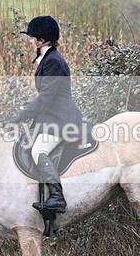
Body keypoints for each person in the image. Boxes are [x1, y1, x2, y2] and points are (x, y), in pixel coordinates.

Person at [7, 16, 83, 213]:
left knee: (38, 151)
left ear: (41, 40)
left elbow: (45, 98)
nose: (30, 41)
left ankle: (57, 197)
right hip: (51, 118)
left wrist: (21, 114)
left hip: (61, 119)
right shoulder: (48, 59)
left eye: (32, 38)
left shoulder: (54, 62)